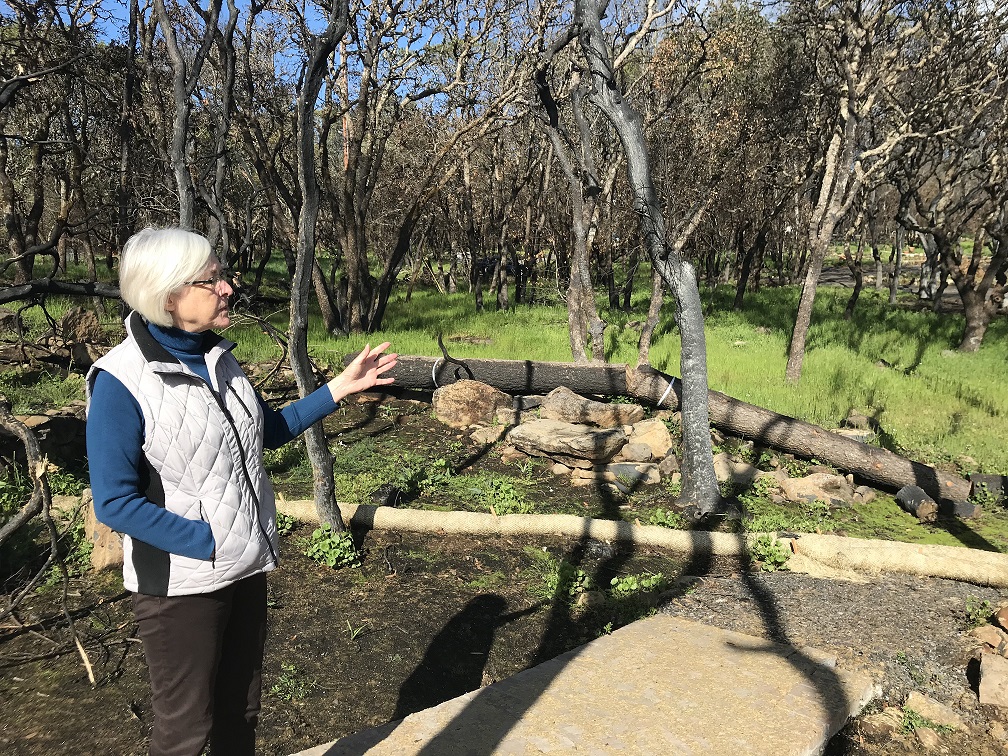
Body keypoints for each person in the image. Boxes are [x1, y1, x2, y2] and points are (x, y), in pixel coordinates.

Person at [85, 227, 397, 756]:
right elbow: (114, 501)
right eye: (213, 280)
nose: (228, 287)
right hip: (180, 589)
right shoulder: (121, 381)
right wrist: (206, 542)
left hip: (246, 570)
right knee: (184, 732)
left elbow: (264, 431)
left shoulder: (217, 358)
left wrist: (337, 390)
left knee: (241, 712)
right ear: (169, 295)